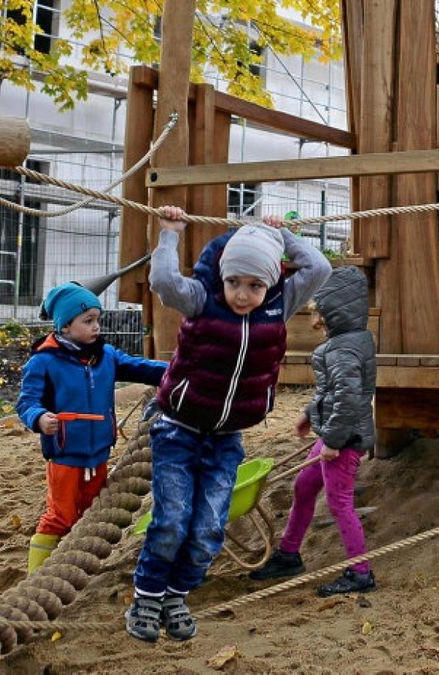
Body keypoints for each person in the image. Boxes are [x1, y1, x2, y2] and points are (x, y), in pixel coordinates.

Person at [126, 206, 331, 643]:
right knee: (172, 521)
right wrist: (170, 233)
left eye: (255, 285)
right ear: (222, 275)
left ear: (271, 282)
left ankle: (176, 596)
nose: (242, 294)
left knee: (208, 531)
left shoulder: (279, 305)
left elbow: (319, 267)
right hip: (178, 428)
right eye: (234, 281)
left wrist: (283, 237)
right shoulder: (203, 299)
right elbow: (163, 281)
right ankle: (146, 597)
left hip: (226, 437)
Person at [17, 283, 168, 573]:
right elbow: (27, 401)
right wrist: (39, 417)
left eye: (98, 319)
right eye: (88, 321)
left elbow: (141, 368)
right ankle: (36, 577)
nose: (96, 327)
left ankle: (75, 567)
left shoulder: (105, 355)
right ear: (65, 325)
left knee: (90, 514)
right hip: (65, 454)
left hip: (98, 453)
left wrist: (180, 370)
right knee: (60, 516)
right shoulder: (44, 361)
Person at [248, 266, 378, 596]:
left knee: (339, 503)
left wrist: (333, 441)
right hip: (334, 433)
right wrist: (310, 413)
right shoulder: (342, 343)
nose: (315, 321)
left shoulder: (344, 350)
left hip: (343, 439)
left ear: (337, 312)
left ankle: (360, 573)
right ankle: (289, 554)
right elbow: (332, 392)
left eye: (320, 313)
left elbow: (348, 398)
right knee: (304, 486)